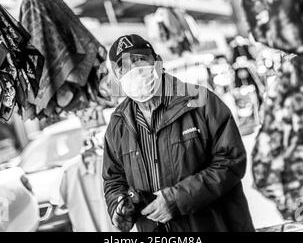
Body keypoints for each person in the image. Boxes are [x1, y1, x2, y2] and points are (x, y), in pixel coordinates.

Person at [102, 34, 255, 232]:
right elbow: (113, 179)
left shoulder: (200, 100)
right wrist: (118, 205)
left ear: (157, 62)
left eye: (139, 59)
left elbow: (231, 160)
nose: (134, 70)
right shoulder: (117, 124)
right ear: (118, 77)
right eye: (123, 67)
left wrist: (176, 200)